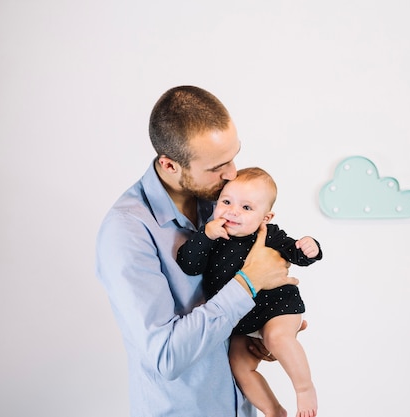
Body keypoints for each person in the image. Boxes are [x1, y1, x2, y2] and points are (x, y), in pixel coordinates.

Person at [95, 86, 302, 417]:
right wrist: (248, 282)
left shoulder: (223, 203)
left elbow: (226, 314)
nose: (232, 174)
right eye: (217, 166)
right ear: (170, 165)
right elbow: (166, 356)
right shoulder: (126, 232)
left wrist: (264, 329)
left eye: (234, 156)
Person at [177, 167, 322, 417]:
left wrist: (311, 247)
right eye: (226, 201)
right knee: (239, 365)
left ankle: (304, 388)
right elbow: (188, 264)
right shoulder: (214, 237)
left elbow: (296, 253)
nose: (233, 211)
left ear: (265, 218)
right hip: (241, 320)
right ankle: (273, 410)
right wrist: (206, 235)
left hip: (278, 306)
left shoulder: (269, 235)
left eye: (246, 208)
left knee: (277, 339)